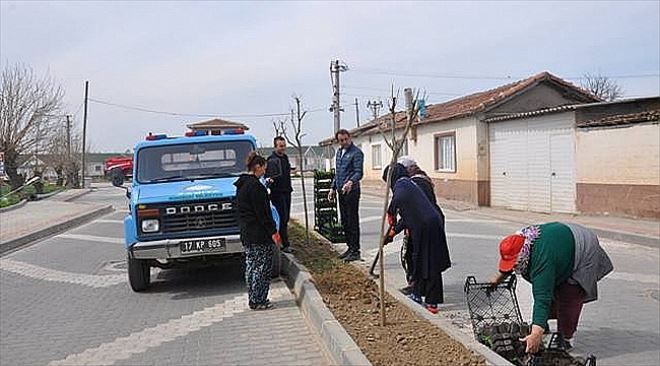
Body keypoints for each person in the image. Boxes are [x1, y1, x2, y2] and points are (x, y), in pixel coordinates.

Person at [490, 222, 613, 353]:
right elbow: (513, 262)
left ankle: (566, 338)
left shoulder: (541, 260)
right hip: (559, 244)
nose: (514, 268)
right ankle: (543, 326)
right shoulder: (521, 242)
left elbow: (542, 298)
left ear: (523, 255)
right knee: (551, 287)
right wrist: (498, 279)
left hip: (582, 246)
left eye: (514, 264)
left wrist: (536, 333)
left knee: (569, 294)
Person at [383, 163, 451, 314]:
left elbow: (398, 199)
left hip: (428, 227)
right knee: (419, 260)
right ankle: (417, 294)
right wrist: (392, 233)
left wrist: (391, 212)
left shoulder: (403, 184)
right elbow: (408, 216)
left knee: (430, 263)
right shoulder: (408, 184)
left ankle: (432, 302)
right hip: (425, 226)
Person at [234, 152, 282, 310]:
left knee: (251, 266)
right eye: (264, 168)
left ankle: (253, 298)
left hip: (247, 233)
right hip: (259, 234)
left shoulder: (241, 185)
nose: (265, 171)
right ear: (257, 167)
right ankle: (259, 299)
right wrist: (273, 232)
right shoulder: (256, 187)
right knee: (262, 267)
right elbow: (264, 214)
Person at [396, 156, 446, 295]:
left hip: (426, 225)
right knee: (416, 256)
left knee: (419, 257)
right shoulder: (417, 180)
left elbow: (413, 210)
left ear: (409, 169)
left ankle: (417, 288)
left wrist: (394, 231)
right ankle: (419, 287)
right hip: (424, 223)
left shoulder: (417, 183)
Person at [327, 129, 364, 262]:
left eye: (345, 139)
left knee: (352, 220)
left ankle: (356, 250)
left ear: (349, 138)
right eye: (340, 140)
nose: (343, 142)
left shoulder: (356, 153)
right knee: (345, 221)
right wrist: (332, 188)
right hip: (341, 191)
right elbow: (338, 173)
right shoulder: (339, 153)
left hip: (352, 191)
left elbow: (358, 172)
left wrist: (350, 182)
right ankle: (349, 247)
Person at [266, 136, 294, 253]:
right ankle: (285, 244)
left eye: (284, 146)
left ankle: (284, 242)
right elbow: (268, 176)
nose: (283, 148)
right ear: (275, 146)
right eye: (280, 146)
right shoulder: (271, 160)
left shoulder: (285, 158)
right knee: (282, 218)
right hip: (277, 193)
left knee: (286, 217)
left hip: (287, 191)